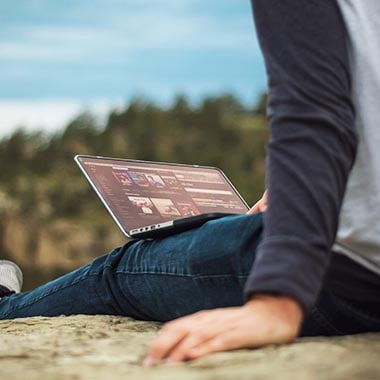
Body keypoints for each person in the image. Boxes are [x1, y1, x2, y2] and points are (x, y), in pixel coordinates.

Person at [1, 0, 380, 366]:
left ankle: (5, 307)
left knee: (122, 268)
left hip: (348, 272)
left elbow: (314, 115)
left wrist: (278, 300)